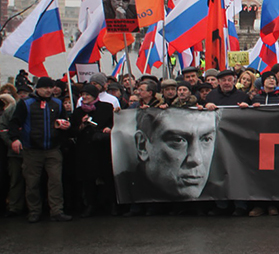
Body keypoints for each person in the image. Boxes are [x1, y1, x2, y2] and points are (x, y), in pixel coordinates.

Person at [9, 77, 72, 222]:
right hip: (32, 149)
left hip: (52, 148)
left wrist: (65, 126)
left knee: (55, 180)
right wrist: (15, 139)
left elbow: (64, 120)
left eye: (50, 87)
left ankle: (57, 210)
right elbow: (14, 123)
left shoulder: (57, 103)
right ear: (37, 88)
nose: (48, 90)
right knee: (32, 182)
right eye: (45, 88)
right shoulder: (26, 103)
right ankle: (34, 211)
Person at [126, 108, 218, 201]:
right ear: (142, 146)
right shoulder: (122, 191)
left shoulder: (219, 193)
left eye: (206, 139)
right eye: (178, 140)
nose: (196, 159)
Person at [69, 83, 115, 217]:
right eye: (83, 95)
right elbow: (72, 131)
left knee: (107, 177)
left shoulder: (106, 107)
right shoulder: (78, 112)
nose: (85, 97)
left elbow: (113, 122)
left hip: (102, 148)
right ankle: (91, 204)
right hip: (85, 150)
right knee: (88, 179)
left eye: (87, 95)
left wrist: (109, 128)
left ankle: (112, 204)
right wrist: (81, 125)